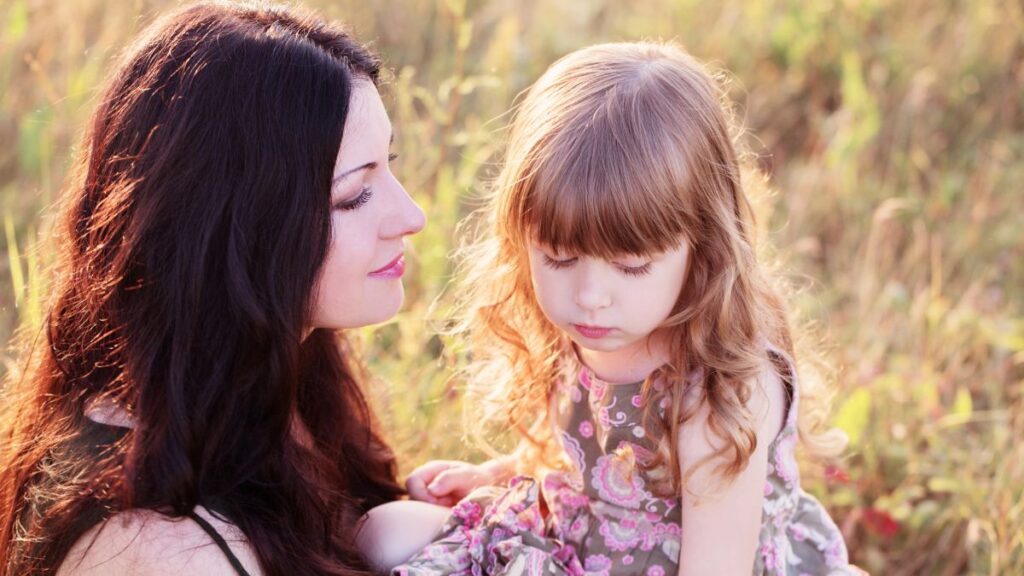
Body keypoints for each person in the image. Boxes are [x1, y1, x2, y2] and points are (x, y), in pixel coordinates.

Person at [366, 42, 860, 575]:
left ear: (703, 249)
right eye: (558, 257)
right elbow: (588, 462)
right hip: (581, 539)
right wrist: (497, 473)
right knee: (381, 533)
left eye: (631, 267)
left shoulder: (718, 394)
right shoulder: (591, 326)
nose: (589, 295)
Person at [0, 2, 442, 575]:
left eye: (391, 165)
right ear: (238, 229)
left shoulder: (283, 379)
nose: (411, 215)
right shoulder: (159, 550)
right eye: (355, 192)